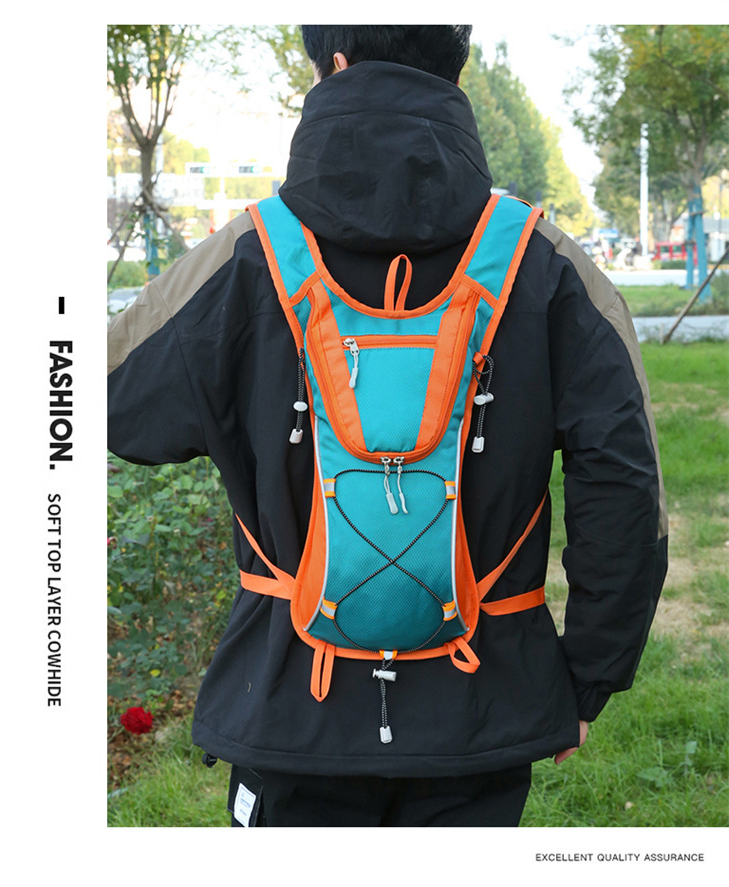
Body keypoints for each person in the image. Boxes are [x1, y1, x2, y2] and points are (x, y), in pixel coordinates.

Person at [107, 25, 667, 827]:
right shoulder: (547, 264)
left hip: (290, 705)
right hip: (482, 705)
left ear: (333, 64)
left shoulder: (248, 256)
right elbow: (626, 486)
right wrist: (587, 677)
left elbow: (109, 402)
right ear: (456, 74)